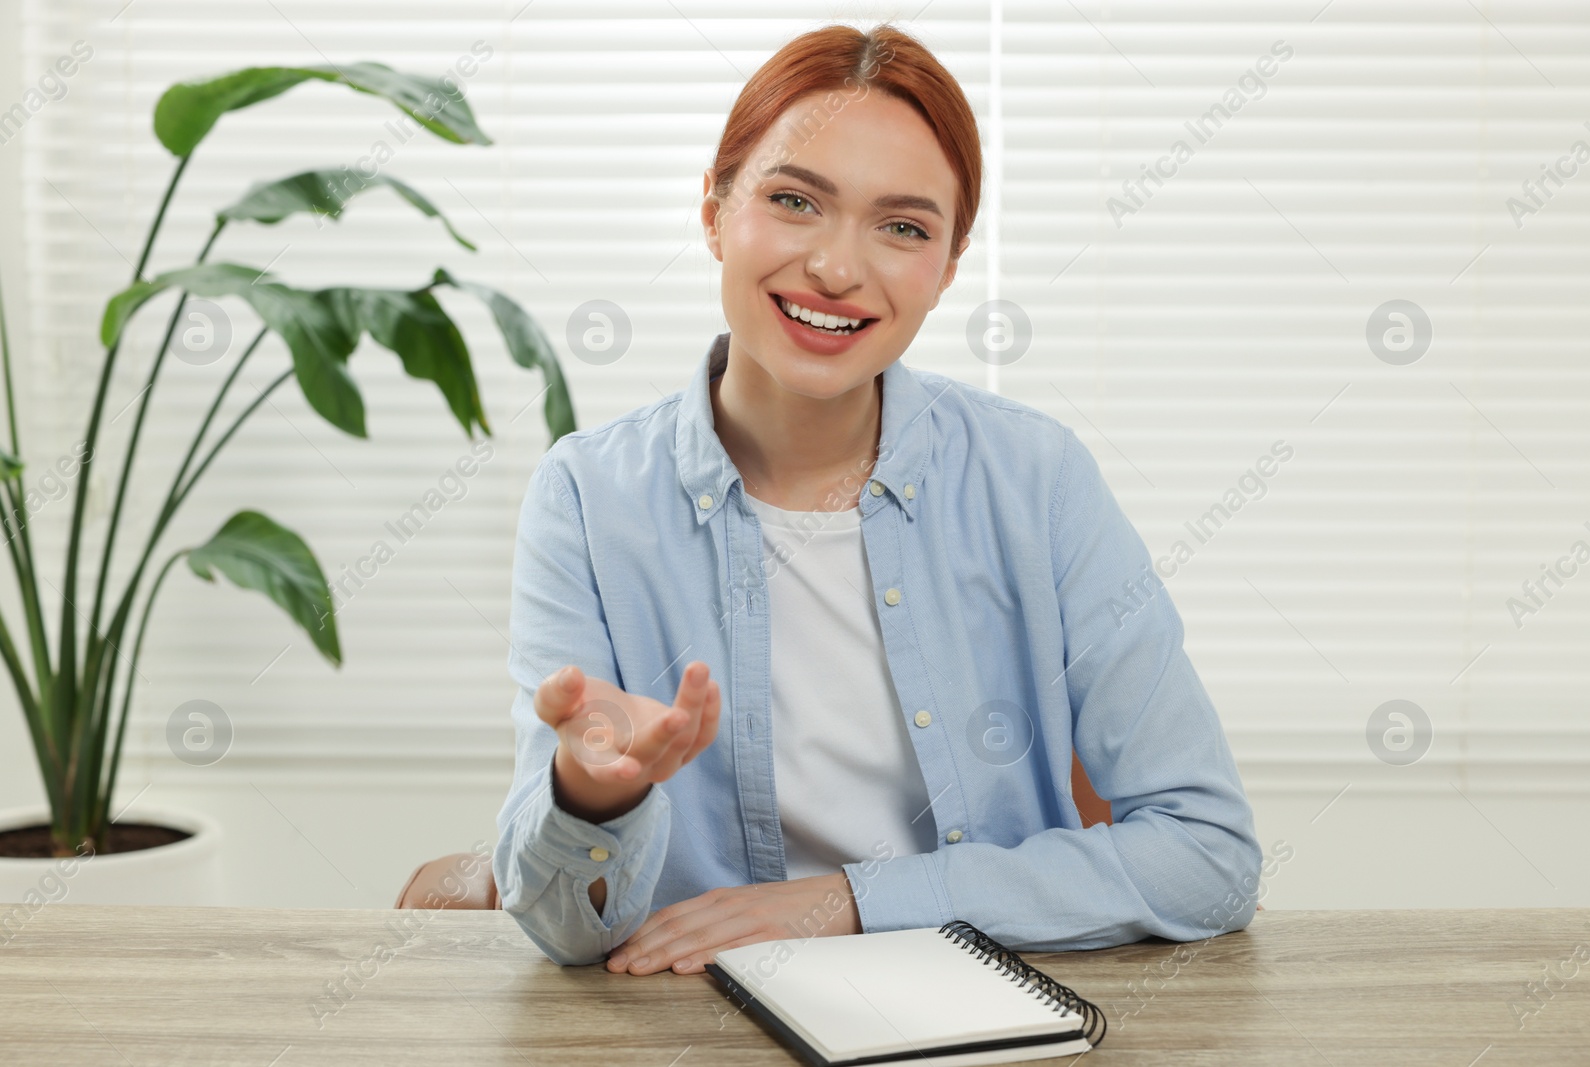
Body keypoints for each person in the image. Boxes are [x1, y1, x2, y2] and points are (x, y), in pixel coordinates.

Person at [492, 22, 1262, 974]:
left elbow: (1209, 857)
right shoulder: (588, 498)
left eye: (902, 227)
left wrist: (850, 901)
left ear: (947, 264)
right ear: (714, 212)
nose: (837, 269)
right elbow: (571, 929)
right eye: (794, 201)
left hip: (982, 1019)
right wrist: (590, 791)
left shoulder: (1036, 479)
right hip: (695, 1023)